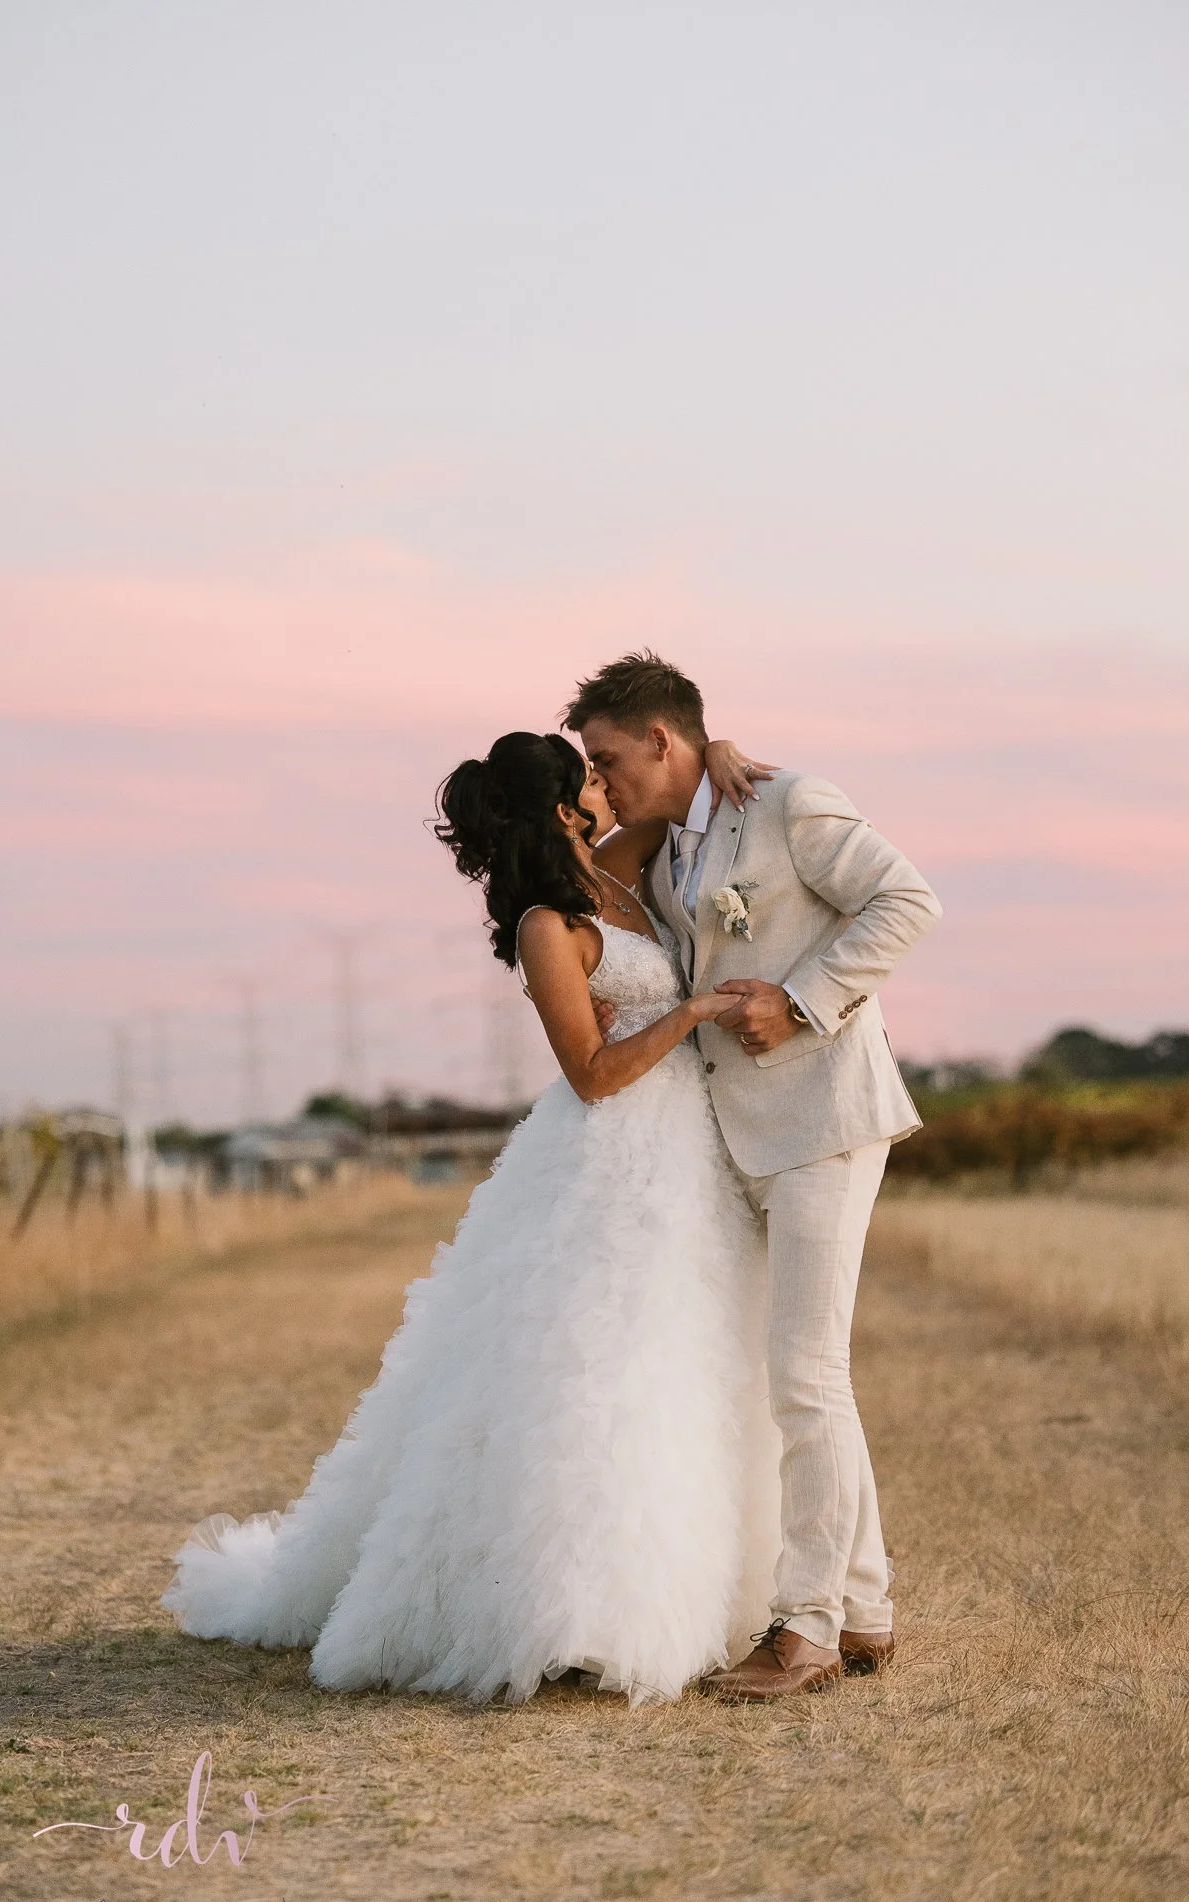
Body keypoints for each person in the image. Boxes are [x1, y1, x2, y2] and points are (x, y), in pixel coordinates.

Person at [161, 728, 787, 1706]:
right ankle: (567, 1611)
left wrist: (715, 752)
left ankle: (698, 1586)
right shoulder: (549, 921)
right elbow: (590, 1073)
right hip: (606, 1159)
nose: (603, 780)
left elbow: (667, 812)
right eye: (587, 774)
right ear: (560, 807)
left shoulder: (617, 877)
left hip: (683, 1160)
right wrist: (691, 1012)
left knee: (678, 1359)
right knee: (588, 1375)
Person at [564, 651, 941, 1699]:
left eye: (607, 758)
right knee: (812, 1374)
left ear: (657, 738)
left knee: (803, 1376)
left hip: (823, 1114)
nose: (600, 780)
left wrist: (800, 997)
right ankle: (864, 1609)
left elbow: (904, 901)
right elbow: (585, 851)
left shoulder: (788, 804)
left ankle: (806, 1627)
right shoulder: (674, 832)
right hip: (736, 1136)